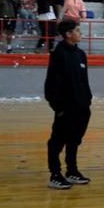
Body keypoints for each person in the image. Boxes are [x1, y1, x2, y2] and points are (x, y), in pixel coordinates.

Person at [44, 19, 92, 189]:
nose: (80, 33)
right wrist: (59, 108)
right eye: (77, 30)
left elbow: (84, 81)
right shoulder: (58, 54)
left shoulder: (80, 54)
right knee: (57, 141)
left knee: (74, 140)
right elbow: (51, 84)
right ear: (68, 34)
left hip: (81, 107)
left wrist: (87, 100)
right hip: (66, 108)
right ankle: (55, 174)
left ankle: (72, 171)